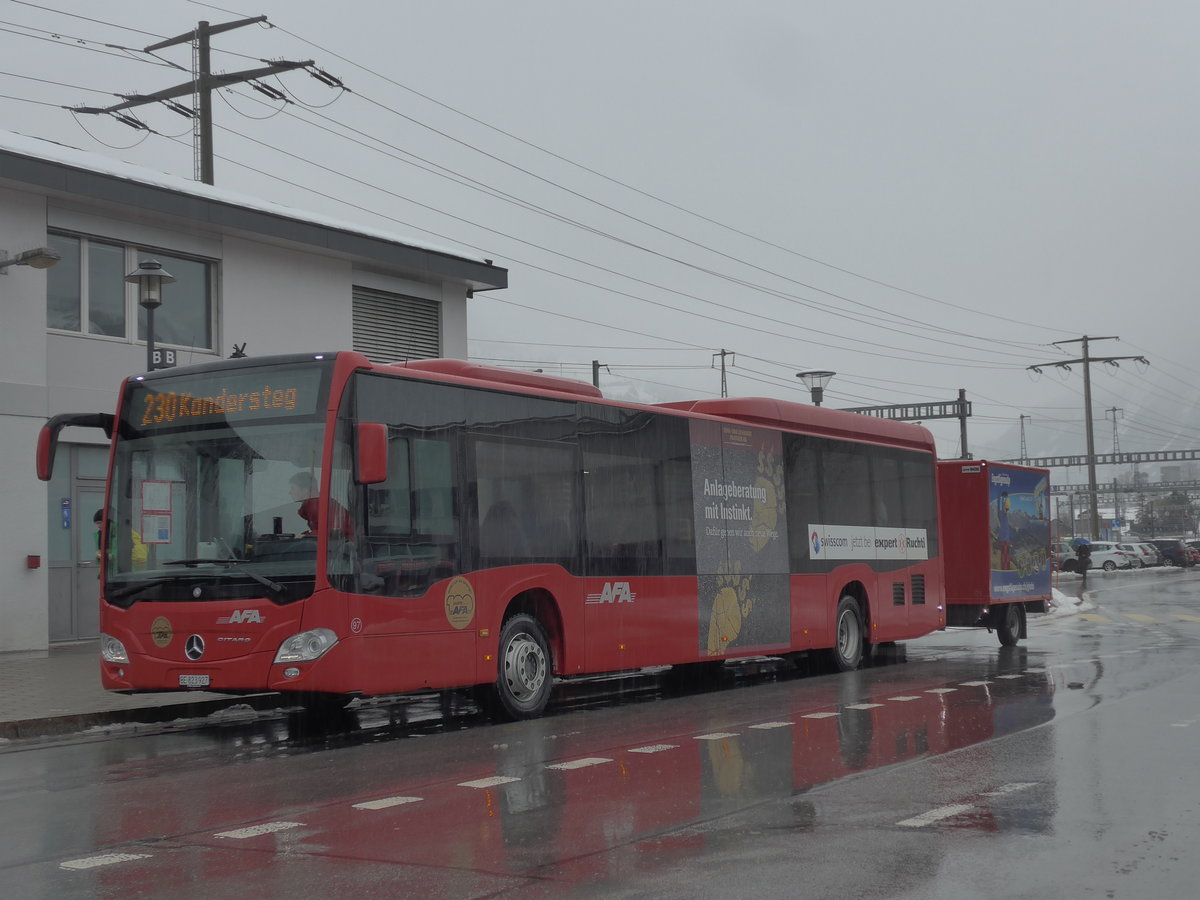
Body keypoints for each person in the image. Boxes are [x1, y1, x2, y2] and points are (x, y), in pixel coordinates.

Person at [289, 471, 354, 538]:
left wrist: (306, 536)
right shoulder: (316, 502)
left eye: (293, 488)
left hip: (345, 543)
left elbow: (331, 531)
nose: (290, 492)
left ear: (305, 490)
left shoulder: (315, 505)